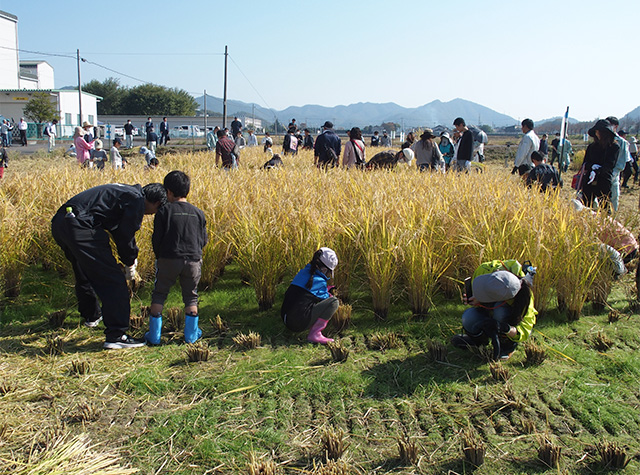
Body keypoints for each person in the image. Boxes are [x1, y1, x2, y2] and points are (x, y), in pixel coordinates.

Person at [51, 181, 167, 349]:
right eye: (155, 211)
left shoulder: (126, 192)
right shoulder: (136, 200)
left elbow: (116, 228)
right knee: (113, 280)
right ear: (156, 203)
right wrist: (130, 263)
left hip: (61, 222)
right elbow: (125, 235)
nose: (150, 214)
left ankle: (92, 316)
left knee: (83, 269)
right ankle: (117, 335)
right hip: (80, 225)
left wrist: (128, 259)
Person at [145, 171, 207, 345]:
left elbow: (156, 238)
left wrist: (159, 256)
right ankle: (191, 336)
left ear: (169, 192)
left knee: (159, 294)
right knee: (191, 296)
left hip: (168, 259)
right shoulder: (198, 213)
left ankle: (154, 336)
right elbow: (203, 240)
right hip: (193, 260)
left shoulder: (164, 211)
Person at [451, 259, 537, 360]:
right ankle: (478, 340)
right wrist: (475, 299)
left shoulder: (524, 298)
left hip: (503, 315)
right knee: (469, 317)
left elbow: (524, 331)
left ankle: (506, 345)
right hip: (486, 308)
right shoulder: (484, 270)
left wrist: (506, 328)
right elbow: (477, 289)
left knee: (500, 313)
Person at [281, 248, 339, 344]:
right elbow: (326, 299)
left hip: (286, 318)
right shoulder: (319, 281)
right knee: (334, 302)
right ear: (324, 270)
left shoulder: (303, 272)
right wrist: (329, 293)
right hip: (297, 323)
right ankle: (315, 334)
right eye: (328, 272)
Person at [580, 119, 619, 209]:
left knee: (604, 206)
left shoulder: (613, 147)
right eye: (596, 132)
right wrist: (592, 167)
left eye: (598, 132)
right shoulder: (592, 146)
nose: (597, 134)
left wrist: (598, 171)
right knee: (586, 205)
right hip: (589, 179)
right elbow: (585, 163)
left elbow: (610, 165)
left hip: (604, 179)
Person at [606, 117, 631, 212]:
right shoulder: (602, 140)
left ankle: (612, 220)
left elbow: (621, 163)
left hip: (613, 175)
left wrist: (611, 175)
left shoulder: (622, 142)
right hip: (600, 174)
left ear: (615, 126)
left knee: (613, 198)